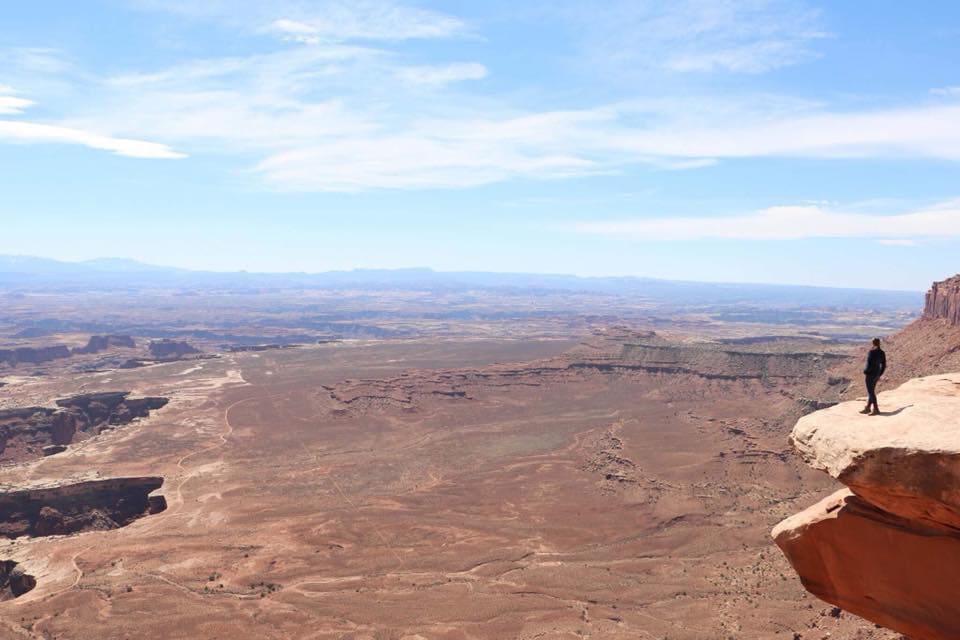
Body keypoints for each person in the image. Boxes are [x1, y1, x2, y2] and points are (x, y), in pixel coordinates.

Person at [860, 337, 887, 416]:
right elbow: (884, 365)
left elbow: (869, 364)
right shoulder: (882, 352)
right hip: (876, 373)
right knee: (871, 390)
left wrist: (866, 371)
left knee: (871, 392)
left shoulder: (872, 352)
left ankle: (876, 409)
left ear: (873, 343)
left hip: (870, 374)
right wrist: (880, 373)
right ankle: (868, 407)